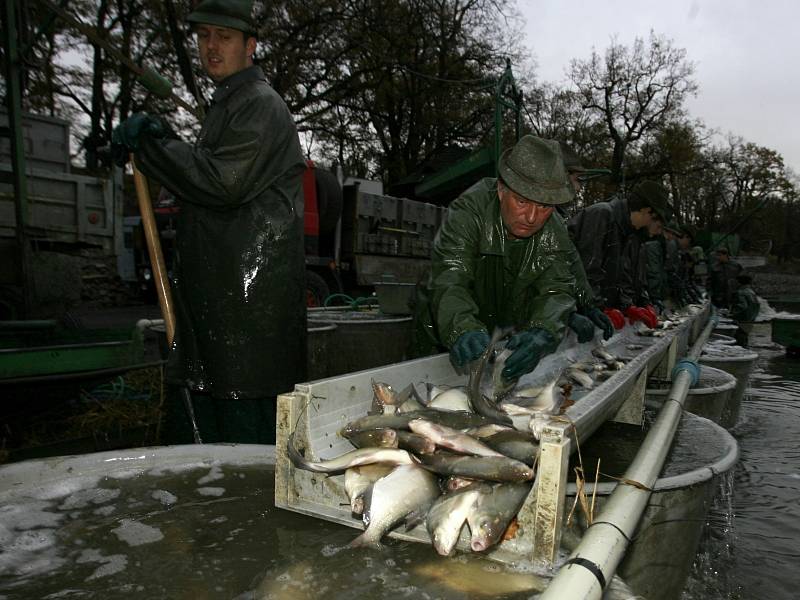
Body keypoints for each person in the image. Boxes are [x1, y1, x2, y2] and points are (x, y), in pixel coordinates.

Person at [111, 0, 307, 444]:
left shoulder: (258, 104)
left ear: (250, 45)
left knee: (247, 448)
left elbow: (222, 182)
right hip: (225, 303)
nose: (211, 46)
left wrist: (153, 148)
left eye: (225, 37)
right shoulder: (230, 105)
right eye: (203, 37)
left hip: (248, 314)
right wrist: (163, 143)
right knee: (215, 439)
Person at [413, 135, 577, 380]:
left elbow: (557, 290)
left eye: (544, 207)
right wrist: (461, 329)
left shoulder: (555, 230)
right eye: (522, 201)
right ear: (501, 190)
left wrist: (543, 331)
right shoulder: (468, 211)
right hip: (440, 332)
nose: (532, 217)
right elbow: (450, 277)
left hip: (497, 331)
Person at [567, 180, 673, 330]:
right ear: (645, 210)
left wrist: (627, 305)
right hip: (570, 306)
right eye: (652, 219)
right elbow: (587, 270)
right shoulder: (602, 215)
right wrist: (597, 307)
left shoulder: (625, 230)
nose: (648, 224)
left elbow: (619, 277)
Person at [556, 141, 615, 342]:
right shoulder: (536, 215)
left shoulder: (556, 217)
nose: (579, 186)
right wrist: (565, 313)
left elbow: (571, 264)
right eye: (576, 178)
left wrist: (588, 305)